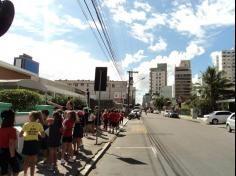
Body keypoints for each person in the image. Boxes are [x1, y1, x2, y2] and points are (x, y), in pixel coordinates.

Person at [19, 111, 45, 176]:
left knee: (26, 161)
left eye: (29, 116)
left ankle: (25, 174)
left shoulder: (26, 124)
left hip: (27, 143)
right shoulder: (39, 125)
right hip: (35, 144)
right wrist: (37, 133)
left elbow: (20, 135)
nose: (29, 117)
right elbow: (43, 135)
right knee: (33, 162)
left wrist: (26, 134)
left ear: (32, 117)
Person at [0, 110, 20, 176]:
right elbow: (11, 144)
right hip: (9, 152)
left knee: (4, 169)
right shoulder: (12, 130)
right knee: (16, 169)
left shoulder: (1, 129)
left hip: (1, 151)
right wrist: (12, 157)